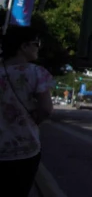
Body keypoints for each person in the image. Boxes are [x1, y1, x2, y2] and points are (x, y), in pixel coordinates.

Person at [0, 26, 54, 196]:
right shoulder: (36, 73)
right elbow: (46, 108)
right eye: (36, 43)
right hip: (24, 149)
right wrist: (34, 120)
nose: (39, 47)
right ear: (23, 47)